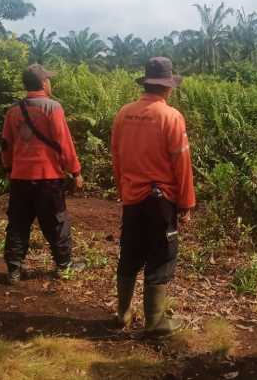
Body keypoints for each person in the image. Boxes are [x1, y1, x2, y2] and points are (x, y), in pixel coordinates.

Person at [110, 57, 195, 337]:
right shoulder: (171, 117)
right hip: (160, 201)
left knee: (130, 254)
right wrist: (186, 203)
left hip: (133, 198)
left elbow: (117, 157)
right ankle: (155, 322)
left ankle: (122, 313)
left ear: (146, 83)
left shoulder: (124, 113)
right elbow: (181, 165)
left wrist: (124, 191)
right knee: (160, 257)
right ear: (168, 87)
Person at [1, 64, 85, 284]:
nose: (50, 82)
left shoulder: (13, 110)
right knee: (57, 222)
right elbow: (64, 143)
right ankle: (64, 266)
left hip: (20, 178)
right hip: (48, 177)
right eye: (48, 79)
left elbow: (6, 145)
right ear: (44, 83)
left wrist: (9, 169)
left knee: (18, 223)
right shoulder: (53, 108)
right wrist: (75, 171)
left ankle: (14, 270)